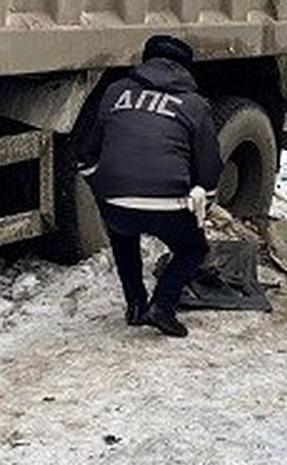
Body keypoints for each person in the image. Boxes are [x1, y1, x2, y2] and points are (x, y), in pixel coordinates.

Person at [79, 34, 223, 338]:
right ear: (186, 69)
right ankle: (162, 307)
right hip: (167, 205)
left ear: (145, 60)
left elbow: (87, 152)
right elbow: (209, 165)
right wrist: (203, 202)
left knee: (123, 236)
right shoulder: (195, 105)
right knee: (192, 249)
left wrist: (101, 187)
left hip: (116, 203)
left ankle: (134, 305)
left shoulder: (115, 92)